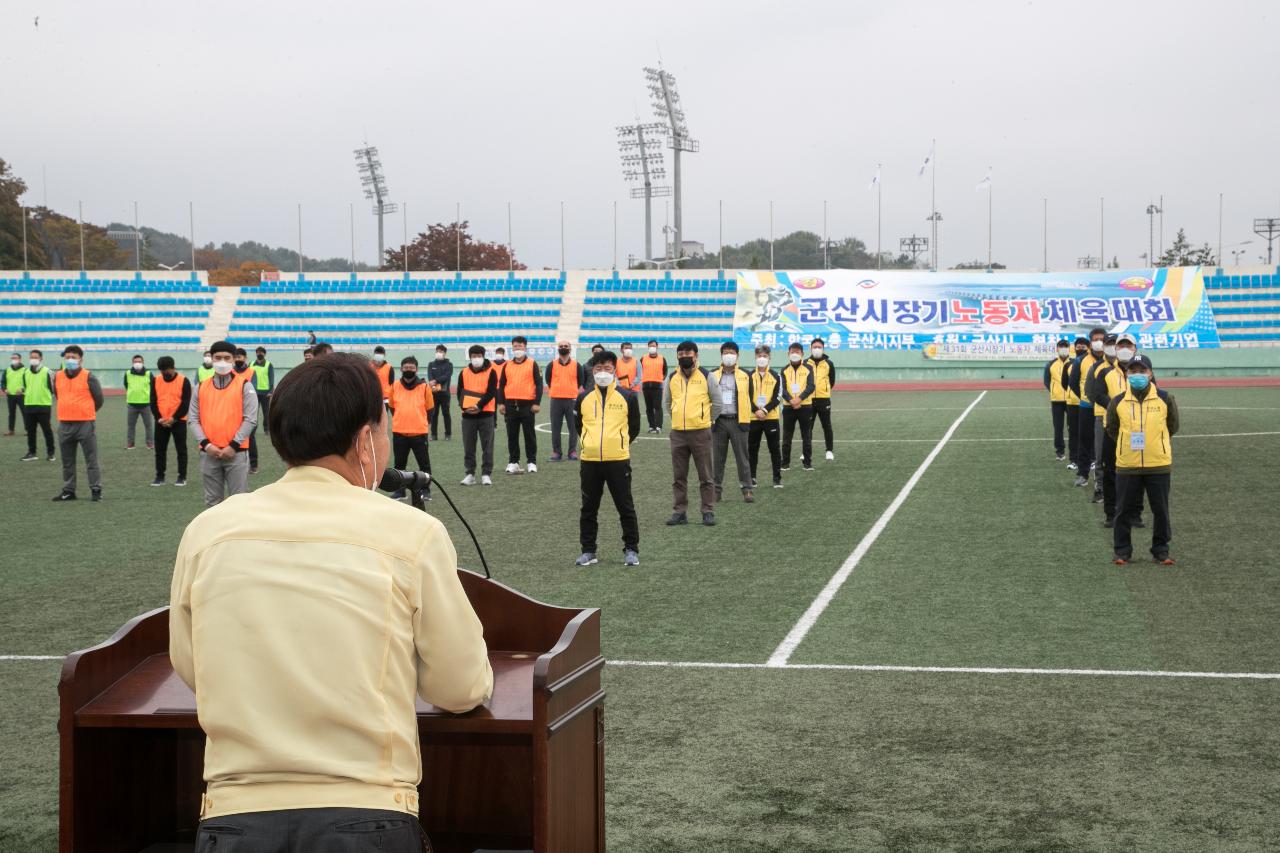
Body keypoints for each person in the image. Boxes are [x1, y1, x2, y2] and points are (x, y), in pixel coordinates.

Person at [170, 352, 491, 852]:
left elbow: (192, 666)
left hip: (233, 816)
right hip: (366, 813)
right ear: (366, 439)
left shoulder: (206, 531)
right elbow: (461, 686)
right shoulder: (411, 532)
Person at [1106, 354, 1178, 566]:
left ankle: (1161, 551)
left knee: (1161, 511)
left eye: (1142, 371)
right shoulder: (1117, 401)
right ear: (1127, 374)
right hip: (1127, 465)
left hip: (1158, 464)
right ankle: (1122, 552)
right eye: (1133, 371)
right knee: (1123, 511)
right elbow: (1112, 429)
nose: (1137, 375)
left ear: (1151, 373)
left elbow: (1172, 426)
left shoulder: (1165, 399)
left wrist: (1157, 444)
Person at [574, 350, 642, 567]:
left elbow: (634, 427)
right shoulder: (583, 397)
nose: (602, 372)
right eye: (598, 368)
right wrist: (590, 443)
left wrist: (618, 443)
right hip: (590, 461)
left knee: (625, 506)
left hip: (618, 460)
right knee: (588, 508)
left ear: (614, 370)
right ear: (592, 371)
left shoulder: (628, 396)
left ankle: (631, 549)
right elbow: (579, 427)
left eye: (607, 368)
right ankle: (588, 551)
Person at [190, 340, 258, 508]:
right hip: (209, 454)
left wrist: (233, 446)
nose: (222, 362)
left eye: (227, 358)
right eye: (218, 357)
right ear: (211, 359)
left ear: (234, 360)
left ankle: (240, 535)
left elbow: (250, 419)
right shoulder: (200, 387)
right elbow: (193, 419)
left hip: (237, 453)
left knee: (239, 502)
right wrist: (206, 445)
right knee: (212, 503)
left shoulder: (245, 386)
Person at [663, 340, 720, 527]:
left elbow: (717, 402)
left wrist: (706, 420)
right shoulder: (672, 377)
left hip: (701, 432)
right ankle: (680, 512)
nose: (684, 357)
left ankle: (708, 510)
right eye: (681, 354)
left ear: (696, 356)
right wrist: (677, 418)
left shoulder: (707, 376)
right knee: (679, 476)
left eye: (688, 353)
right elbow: (667, 403)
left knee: (705, 475)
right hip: (678, 433)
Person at [1096, 334, 1145, 530]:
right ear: (1115, 349)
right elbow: (1097, 394)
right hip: (1113, 430)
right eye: (1121, 345)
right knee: (1111, 471)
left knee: (1139, 470)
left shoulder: (1144, 372)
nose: (1125, 348)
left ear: (1135, 348)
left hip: (1138, 430)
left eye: (1128, 345)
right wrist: (1116, 405)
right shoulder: (1105, 372)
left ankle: (1135, 513)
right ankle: (1111, 512)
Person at [51, 345, 104, 502]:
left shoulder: (89, 376)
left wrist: (86, 411)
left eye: (73, 357)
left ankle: (96, 489)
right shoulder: (57, 376)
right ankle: (69, 490)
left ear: (81, 359)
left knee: (91, 459)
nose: (70, 360)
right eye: (67, 357)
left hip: (85, 424)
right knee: (67, 461)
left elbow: (99, 399)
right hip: (65, 424)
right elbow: (58, 395)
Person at [709, 341, 754, 503]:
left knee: (743, 458)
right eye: (726, 352)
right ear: (721, 355)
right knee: (717, 458)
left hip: (738, 421)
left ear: (737, 355)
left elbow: (751, 396)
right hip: (718, 422)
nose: (729, 355)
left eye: (732, 352)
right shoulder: (712, 375)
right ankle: (716, 490)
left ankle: (747, 489)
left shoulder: (746, 375)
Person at [387, 356, 434, 502]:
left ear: (416, 370)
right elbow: (393, 407)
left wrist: (421, 423)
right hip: (399, 431)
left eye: (411, 368)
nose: (409, 370)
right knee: (399, 464)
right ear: (401, 369)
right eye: (406, 368)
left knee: (424, 464)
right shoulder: (394, 386)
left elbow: (430, 409)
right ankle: (400, 491)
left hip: (419, 432)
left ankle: (425, 490)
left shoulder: (424, 387)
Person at [497, 335, 542, 474]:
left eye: (520, 346)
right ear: (512, 348)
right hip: (510, 405)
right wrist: (501, 403)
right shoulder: (507, 365)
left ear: (525, 347)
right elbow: (502, 385)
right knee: (512, 435)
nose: (518, 349)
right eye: (515, 346)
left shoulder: (533, 363)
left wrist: (536, 403)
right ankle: (513, 461)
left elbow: (539, 384)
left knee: (529, 435)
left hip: (527, 405)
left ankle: (531, 462)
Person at [1084, 334, 1120, 503]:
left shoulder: (1130, 367)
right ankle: (1099, 488)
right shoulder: (1097, 367)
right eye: (1109, 343)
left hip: (1127, 418)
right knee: (1101, 455)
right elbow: (1090, 391)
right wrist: (1104, 406)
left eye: (1115, 343)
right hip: (1102, 416)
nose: (1112, 346)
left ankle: (1121, 488)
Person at [1069, 326, 1107, 487]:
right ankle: (1083, 474)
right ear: (1091, 342)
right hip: (1086, 407)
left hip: (1107, 409)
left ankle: (1106, 477)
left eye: (1102, 340)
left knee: (1106, 443)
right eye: (1095, 340)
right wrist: (1086, 398)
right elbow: (1073, 382)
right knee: (1084, 440)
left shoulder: (1111, 359)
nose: (1099, 343)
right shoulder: (1081, 360)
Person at [458, 345, 498, 486]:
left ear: (483, 356)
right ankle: (470, 473)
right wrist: (466, 407)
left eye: (478, 355)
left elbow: (492, 392)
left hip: (486, 414)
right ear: (470, 357)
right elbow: (459, 393)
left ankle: (486, 473)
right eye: (473, 356)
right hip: (468, 415)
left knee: (487, 445)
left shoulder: (492, 371)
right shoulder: (463, 373)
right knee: (469, 446)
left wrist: (479, 406)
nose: (476, 358)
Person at [150, 355, 192, 487]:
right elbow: (153, 401)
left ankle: (182, 476)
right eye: (162, 371)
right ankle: (160, 476)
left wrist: (174, 418)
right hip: (161, 422)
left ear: (173, 368)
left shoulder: (184, 381)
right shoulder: (155, 380)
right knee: (160, 450)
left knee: (181, 450)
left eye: (167, 371)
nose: (164, 374)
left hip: (178, 421)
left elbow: (185, 403)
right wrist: (159, 418)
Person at [748, 345, 784, 489]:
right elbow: (746, 396)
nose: (762, 359)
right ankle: (752, 477)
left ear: (770, 358)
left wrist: (765, 410)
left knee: (774, 449)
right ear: (755, 358)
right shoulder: (748, 376)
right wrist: (756, 410)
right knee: (752, 449)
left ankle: (777, 478)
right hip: (753, 417)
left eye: (765, 356)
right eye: (759, 356)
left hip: (771, 418)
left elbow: (778, 397)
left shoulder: (777, 376)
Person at [545, 340, 585, 461]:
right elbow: (548, 380)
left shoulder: (577, 365)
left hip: (572, 400)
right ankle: (556, 452)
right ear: (558, 349)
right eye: (561, 346)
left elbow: (580, 381)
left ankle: (572, 451)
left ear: (570, 348)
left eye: (566, 346)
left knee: (573, 427)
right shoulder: (551, 365)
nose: (563, 348)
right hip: (556, 399)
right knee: (555, 427)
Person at [780, 342, 817, 472]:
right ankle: (785, 464)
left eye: (797, 352)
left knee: (806, 436)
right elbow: (782, 388)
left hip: (805, 406)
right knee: (786, 437)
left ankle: (807, 463)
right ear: (788, 354)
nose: (795, 354)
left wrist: (799, 399)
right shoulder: (784, 370)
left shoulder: (808, 368)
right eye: (792, 352)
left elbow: (811, 386)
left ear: (802, 354)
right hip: (788, 407)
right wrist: (791, 400)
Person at [18, 350, 55, 462]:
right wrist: (22, 390)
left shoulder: (48, 372)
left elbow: (53, 388)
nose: (33, 359)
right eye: (31, 357)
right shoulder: (25, 372)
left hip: (43, 405)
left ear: (41, 358)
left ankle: (51, 453)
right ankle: (32, 452)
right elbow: (26, 386)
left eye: (35, 357)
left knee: (47, 431)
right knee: (30, 431)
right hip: (29, 405)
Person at [805, 338, 836, 461]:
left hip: (824, 399)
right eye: (814, 347)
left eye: (819, 347)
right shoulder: (805, 363)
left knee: (827, 426)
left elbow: (832, 380)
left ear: (823, 348)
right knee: (807, 427)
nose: (817, 349)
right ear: (811, 348)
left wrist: (825, 389)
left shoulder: (829, 363)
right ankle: (806, 452)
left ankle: (829, 451)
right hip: (809, 400)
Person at [1043, 338, 1072, 461]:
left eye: (1065, 346)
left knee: (1073, 428)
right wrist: (1054, 391)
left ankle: (1074, 451)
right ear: (1057, 348)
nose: (1063, 348)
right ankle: (1060, 451)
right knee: (1058, 427)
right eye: (1061, 346)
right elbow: (1046, 381)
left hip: (1072, 400)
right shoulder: (1051, 364)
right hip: (1056, 401)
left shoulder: (1074, 363)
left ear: (1069, 348)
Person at [233, 348, 261, 474]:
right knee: (235, 436)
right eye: (236, 357)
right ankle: (238, 464)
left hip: (248, 408)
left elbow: (252, 389)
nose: (238, 359)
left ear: (245, 358)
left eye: (240, 357)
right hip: (233, 409)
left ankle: (253, 465)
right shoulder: (231, 371)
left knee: (250, 436)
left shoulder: (251, 372)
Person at [1062, 336, 1088, 471]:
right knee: (1073, 433)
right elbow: (1065, 383)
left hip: (1088, 405)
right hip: (1072, 404)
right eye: (1078, 345)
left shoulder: (1093, 363)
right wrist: (1077, 395)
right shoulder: (1069, 364)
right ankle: (1074, 460)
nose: (1081, 347)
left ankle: (1091, 459)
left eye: (1084, 345)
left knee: (1088, 433)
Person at [123, 354, 154, 450]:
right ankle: (130, 444)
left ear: (143, 362)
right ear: (132, 363)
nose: (137, 363)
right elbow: (126, 385)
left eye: (139, 361)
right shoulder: (127, 373)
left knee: (148, 426)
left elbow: (153, 387)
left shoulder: (149, 373)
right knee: (131, 426)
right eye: (135, 362)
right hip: (132, 404)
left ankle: (150, 444)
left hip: (146, 404)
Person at [639, 339, 667, 434]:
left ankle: (659, 426)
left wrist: (659, 379)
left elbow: (665, 371)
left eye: (654, 346)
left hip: (658, 386)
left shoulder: (662, 358)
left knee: (658, 407)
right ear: (648, 347)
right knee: (649, 408)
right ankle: (651, 426)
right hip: (646, 386)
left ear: (657, 347)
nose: (652, 347)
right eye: (650, 346)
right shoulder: (643, 358)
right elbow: (639, 370)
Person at [427, 344, 453, 441]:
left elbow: (446, 376)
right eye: (437, 351)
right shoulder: (431, 364)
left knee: (446, 413)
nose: (439, 353)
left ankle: (448, 434)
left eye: (441, 351)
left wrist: (436, 381)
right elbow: (430, 376)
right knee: (434, 414)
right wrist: (433, 384)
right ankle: (434, 435)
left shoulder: (449, 365)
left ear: (445, 353)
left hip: (445, 393)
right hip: (433, 392)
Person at [251, 346, 276, 434]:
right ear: (256, 353)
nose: (259, 354)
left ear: (264, 354)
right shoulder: (251, 363)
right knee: (253, 413)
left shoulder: (269, 364)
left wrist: (270, 391)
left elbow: (271, 378)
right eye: (258, 352)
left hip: (265, 393)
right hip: (253, 392)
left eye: (261, 352)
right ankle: (253, 430)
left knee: (266, 413)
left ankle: (266, 429)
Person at [4, 352, 23, 436]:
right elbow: (3, 382)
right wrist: (5, 389)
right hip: (10, 395)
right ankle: (11, 430)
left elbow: (29, 382)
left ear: (20, 359)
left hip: (21, 395)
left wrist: (22, 389)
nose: (13, 360)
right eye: (12, 358)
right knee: (11, 413)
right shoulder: (7, 370)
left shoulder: (25, 370)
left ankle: (28, 429)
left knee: (25, 413)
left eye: (15, 358)